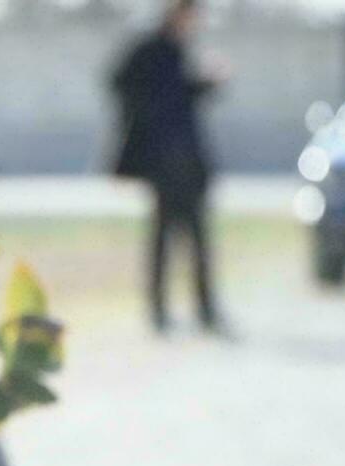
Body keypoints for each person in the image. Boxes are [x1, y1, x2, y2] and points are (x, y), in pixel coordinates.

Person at [111, 0, 229, 335]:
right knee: (162, 240)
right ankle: (159, 311)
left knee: (198, 240)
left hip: (188, 163)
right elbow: (124, 84)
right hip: (164, 163)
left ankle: (205, 309)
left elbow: (181, 98)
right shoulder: (150, 50)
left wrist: (207, 84)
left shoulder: (178, 51)